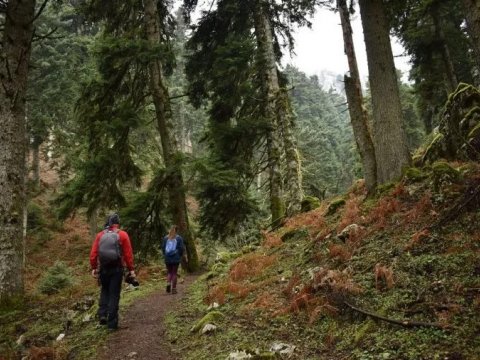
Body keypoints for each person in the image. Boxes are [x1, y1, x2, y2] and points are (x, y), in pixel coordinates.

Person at [90, 213, 135, 330]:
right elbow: (128, 254)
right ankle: (112, 324)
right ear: (117, 223)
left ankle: (102, 314)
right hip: (117, 269)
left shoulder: (100, 235)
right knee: (114, 294)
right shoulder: (123, 235)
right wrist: (131, 269)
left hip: (103, 269)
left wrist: (94, 267)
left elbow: (93, 253)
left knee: (104, 291)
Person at [161, 225, 184, 294]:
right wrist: (179, 255)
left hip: (167, 258)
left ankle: (168, 283)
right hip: (175, 258)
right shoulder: (179, 238)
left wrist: (165, 255)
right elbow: (181, 248)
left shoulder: (165, 238)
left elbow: (163, 248)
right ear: (176, 231)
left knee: (169, 272)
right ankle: (174, 289)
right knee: (174, 273)